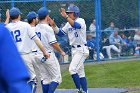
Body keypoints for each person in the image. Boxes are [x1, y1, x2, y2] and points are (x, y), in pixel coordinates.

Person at [6, 7, 50, 92]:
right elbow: (36, 39)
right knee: (32, 80)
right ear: (19, 15)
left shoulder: (7, 27)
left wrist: (7, 18)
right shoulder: (25, 25)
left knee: (17, 81)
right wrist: (44, 51)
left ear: (10, 16)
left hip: (13, 58)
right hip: (25, 56)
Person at [49, 5, 89, 93]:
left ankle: (79, 90)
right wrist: (54, 25)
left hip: (81, 49)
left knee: (72, 69)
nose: (68, 14)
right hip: (74, 50)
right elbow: (60, 33)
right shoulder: (68, 23)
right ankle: (85, 91)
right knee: (81, 73)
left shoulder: (80, 20)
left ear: (76, 13)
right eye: (68, 13)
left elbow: (76, 25)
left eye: (70, 12)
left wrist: (66, 17)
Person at [35, 7, 65, 93]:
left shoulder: (36, 27)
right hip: (48, 55)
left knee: (45, 79)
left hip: (39, 56)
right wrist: (61, 51)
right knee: (57, 78)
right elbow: (53, 43)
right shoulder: (47, 28)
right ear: (47, 16)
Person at [0, 24, 31, 93]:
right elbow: (17, 84)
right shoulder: (2, 31)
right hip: (21, 55)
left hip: (19, 55)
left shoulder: (8, 26)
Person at [26, 11, 40, 93]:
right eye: (36, 18)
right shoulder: (38, 29)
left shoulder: (24, 29)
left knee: (29, 79)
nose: (37, 19)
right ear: (34, 19)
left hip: (26, 55)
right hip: (36, 55)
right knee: (41, 78)